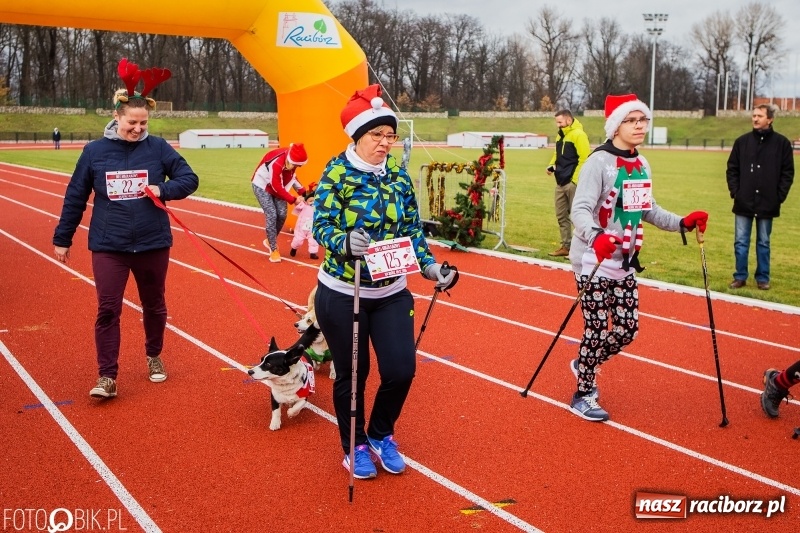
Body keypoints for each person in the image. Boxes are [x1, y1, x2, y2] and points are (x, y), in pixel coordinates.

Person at [312, 84, 457, 479]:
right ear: (357, 135)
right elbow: (320, 225)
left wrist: (430, 268)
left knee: (400, 370)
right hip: (345, 292)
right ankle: (354, 445)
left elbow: (412, 231)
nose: (384, 143)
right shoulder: (337, 172)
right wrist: (343, 242)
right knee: (353, 375)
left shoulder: (397, 176)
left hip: (392, 290)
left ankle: (380, 434)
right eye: (377, 135)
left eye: (390, 135)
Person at [52, 58, 199, 399]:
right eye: (132, 122)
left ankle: (154, 355)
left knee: (155, 304)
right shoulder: (95, 151)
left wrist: (164, 189)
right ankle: (107, 376)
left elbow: (189, 179)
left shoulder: (158, 147)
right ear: (116, 116)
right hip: (109, 243)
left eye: (143, 122)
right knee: (107, 309)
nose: (137, 128)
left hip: (152, 242)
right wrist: (63, 237)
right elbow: (76, 195)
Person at [568, 94, 708, 422]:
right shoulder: (597, 162)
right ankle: (583, 392)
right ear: (616, 125)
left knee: (629, 328)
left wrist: (682, 223)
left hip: (624, 260)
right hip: (592, 259)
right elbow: (581, 209)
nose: (640, 126)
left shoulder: (641, 164)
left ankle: (585, 361)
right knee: (597, 327)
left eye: (642, 120)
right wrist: (597, 236)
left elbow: (646, 210)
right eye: (632, 120)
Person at [726, 104, 794, 291]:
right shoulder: (742, 142)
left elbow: (787, 173)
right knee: (741, 241)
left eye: (760, 115)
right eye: (754, 115)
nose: (755, 118)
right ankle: (740, 276)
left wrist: (778, 196)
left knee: (764, 242)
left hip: (768, 202)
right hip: (744, 201)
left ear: (770, 119)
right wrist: (736, 192)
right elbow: (732, 169)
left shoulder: (782, 144)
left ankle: (763, 278)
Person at [250, 142, 311, 263]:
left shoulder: (291, 163)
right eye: (296, 165)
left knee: (282, 214)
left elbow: (293, 178)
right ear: (290, 160)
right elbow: (276, 186)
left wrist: (305, 193)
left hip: (278, 187)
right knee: (272, 214)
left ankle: (270, 240)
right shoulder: (277, 163)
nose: (296, 168)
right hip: (262, 185)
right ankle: (273, 249)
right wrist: (293, 199)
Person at [546, 109, 591, 257]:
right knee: (561, 215)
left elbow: (585, 158)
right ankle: (566, 246)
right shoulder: (561, 135)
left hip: (572, 182)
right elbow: (556, 154)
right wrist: (551, 165)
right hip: (560, 181)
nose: (558, 125)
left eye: (560, 122)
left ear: (569, 121)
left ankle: (583, 250)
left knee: (577, 217)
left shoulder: (579, 135)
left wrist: (575, 181)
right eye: (556, 122)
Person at [289, 188, 319, 259]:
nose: (312, 202)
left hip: (312, 227)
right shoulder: (304, 206)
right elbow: (298, 206)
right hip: (302, 227)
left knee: (314, 240)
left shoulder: (317, 208)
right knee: (298, 240)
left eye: (314, 201)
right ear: (306, 201)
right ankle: (294, 248)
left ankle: (313, 253)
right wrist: (299, 200)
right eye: (311, 201)